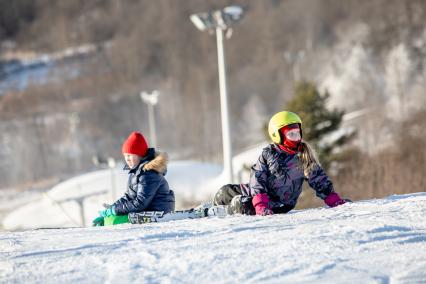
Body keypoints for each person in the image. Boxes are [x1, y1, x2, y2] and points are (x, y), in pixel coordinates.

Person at [213, 111, 348, 216]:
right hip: (259, 197)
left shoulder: (303, 155)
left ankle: (224, 211)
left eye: (297, 133)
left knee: (243, 205)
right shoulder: (268, 154)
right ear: (278, 135)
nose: (296, 138)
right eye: (291, 134)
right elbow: (257, 179)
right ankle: (211, 209)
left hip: (279, 204)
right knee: (225, 191)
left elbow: (319, 179)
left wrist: (333, 199)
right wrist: (260, 204)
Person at [93, 131, 175, 226]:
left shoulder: (148, 174)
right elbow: (129, 197)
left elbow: (140, 203)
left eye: (130, 155)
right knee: (109, 219)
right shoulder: (136, 172)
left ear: (140, 155)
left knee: (113, 221)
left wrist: (115, 211)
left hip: (158, 212)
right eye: (125, 156)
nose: (127, 159)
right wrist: (112, 208)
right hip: (145, 211)